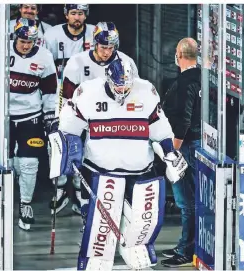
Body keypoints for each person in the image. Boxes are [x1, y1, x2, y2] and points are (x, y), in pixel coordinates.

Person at [48, 58, 188, 270]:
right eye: (118, 84)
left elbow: (160, 129)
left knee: (142, 224)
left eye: (127, 84)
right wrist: (69, 148)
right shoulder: (87, 93)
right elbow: (69, 127)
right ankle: (95, 260)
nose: (122, 89)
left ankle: (137, 257)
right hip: (99, 172)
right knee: (99, 235)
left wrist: (169, 153)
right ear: (108, 78)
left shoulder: (146, 92)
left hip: (139, 172)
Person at [50, 21, 139, 215]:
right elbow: (65, 97)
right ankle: (84, 207)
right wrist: (62, 123)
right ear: (94, 43)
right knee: (81, 165)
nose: (107, 52)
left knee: (112, 166)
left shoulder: (126, 63)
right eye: (103, 47)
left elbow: (134, 94)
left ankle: (113, 207)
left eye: (111, 47)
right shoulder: (77, 62)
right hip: (83, 121)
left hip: (113, 123)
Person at [0, 18, 58, 230]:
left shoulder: (44, 56)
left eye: (31, 41)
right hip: (1, 114)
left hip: (30, 115)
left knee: (28, 163)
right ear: (15, 36)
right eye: (23, 40)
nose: (26, 45)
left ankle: (25, 203)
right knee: (2, 161)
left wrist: (51, 116)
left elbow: (51, 89)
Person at [160, 37, 202, 267]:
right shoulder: (200, 77)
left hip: (185, 146)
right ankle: (185, 244)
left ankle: (187, 249)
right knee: (188, 199)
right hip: (192, 144)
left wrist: (172, 152)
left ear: (179, 54)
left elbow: (184, 119)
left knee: (186, 201)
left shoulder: (187, 82)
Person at [43, 4, 95, 79]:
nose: (77, 18)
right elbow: (45, 65)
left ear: (85, 15)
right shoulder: (51, 34)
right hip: (60, 85)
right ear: (66, 15)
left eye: (80, 13)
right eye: (73, 13)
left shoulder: (95, 33)